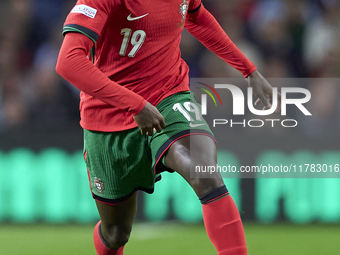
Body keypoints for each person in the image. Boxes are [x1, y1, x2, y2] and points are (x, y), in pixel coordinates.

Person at [56, 0, 277, 254]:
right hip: (109, 113)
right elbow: (68, 60)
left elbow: (197, 17)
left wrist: (248, 70)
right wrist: (134, 104)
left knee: (205, 172)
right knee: (116, 233)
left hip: (169, 95)